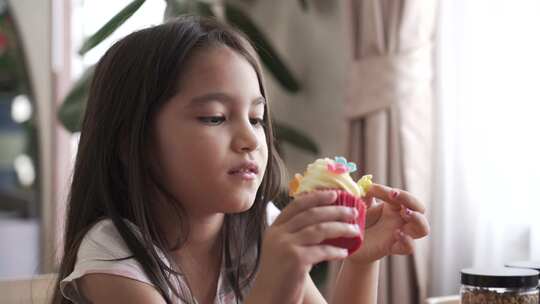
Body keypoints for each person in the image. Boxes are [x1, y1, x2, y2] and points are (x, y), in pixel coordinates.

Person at [50, 16, 429, 304]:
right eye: (215, 117)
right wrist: (277, 281)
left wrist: (361, 261)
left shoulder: (257, 229)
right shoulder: (113, 256)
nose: (250, 139)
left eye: (257, 118)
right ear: (131, 141)